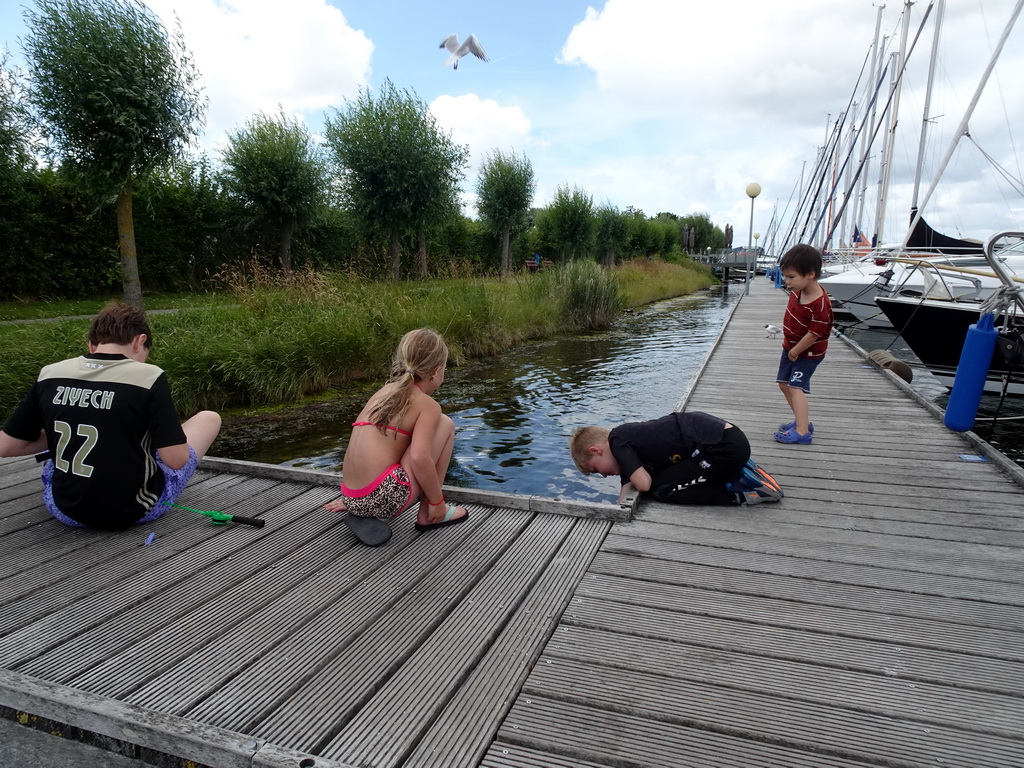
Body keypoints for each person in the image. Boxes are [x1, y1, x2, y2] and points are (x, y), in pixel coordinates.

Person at [0, 303, 221, 530]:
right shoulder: (149, 377)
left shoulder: (50, 373)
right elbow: (176, 459)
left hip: (63, 510)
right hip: (135, 510)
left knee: (53, 458)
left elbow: (5, 446)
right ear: (139, 341)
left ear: (92, 345)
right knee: (209, 419)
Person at [325, 327, 468, 540]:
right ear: (437, 372)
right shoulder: (427, 405)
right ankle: (431, 512)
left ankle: (364, 507)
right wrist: (437, 501)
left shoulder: (383, 392)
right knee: (445, 424)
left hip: (350, 496)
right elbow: (419, 458)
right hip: (380, 498)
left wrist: (355, 500)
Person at [569, 411, 782, 506]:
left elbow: (643, 485)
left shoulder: (617, 440)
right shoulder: (626, 440)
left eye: (596, 469)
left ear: (596, 450)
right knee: (667, 477)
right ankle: (741, 471)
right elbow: (628, 484)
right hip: (729, 439)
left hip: (722, 449)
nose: (604, 475)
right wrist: (618, 510)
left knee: (662, 489)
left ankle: (738, 493)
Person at [773, 243, 834, 445]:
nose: (787, 282)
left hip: (808, 353)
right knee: (784, 384)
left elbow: (814, 334)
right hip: (790, 347)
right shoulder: (797, 291)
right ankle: (802, 421)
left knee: (795, 387)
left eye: (791, 277)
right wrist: (790, 348)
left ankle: (802, 432)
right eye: (786, 277)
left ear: (810, 274)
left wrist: (796, 351)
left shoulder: (821, 303)